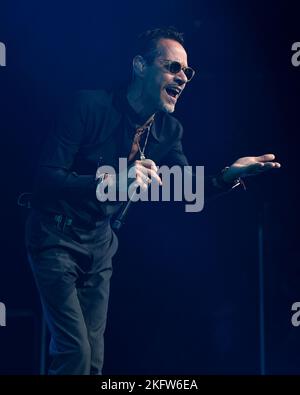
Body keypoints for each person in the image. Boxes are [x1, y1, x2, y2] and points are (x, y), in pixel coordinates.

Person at [25, 27, 281, 375]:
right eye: (173, 67)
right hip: (55, 237)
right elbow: (45, 180)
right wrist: (112, 181)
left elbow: (187, 186)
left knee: (93, 362)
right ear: (140, 66)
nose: (183, 78)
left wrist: (227, 175)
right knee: (75, 353)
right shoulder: (88, 106)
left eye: (187, 72)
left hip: (100, 246)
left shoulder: (168, 131)